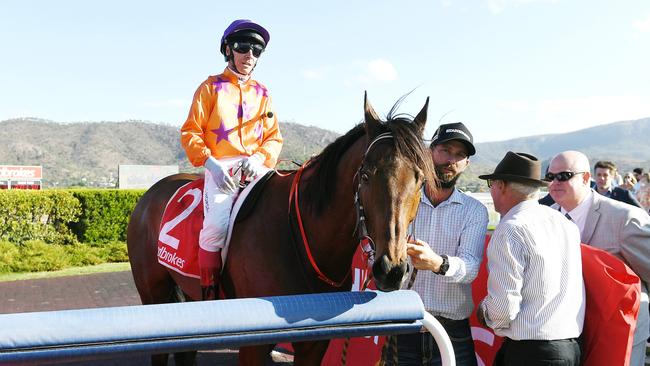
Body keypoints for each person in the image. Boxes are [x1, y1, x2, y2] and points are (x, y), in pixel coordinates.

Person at [180, 19, 283, 300]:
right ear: (228, 50)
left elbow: (274, 137)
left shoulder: (263, 93)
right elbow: (190, 132)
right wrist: (210, 163)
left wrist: (260, 157)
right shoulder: (209, 88)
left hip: (256, 165)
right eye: (243, 47)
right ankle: (210, 295)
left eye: (257, 50)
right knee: (216, 225)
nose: (249, 55)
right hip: (221, 168)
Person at [386, 122, 489, 366]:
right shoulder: (400, 202)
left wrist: (438, 263)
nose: (451, 160)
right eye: (445, 150)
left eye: (459, 155)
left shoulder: (475, 211)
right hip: (403, 329)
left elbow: (471, 268)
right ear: (429, 152)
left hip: (453, 333)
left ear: (466, 164)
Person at [477, 151, 585, 366]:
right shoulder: (564, 223)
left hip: (531, 351)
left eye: (492, 183)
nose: (491, 190)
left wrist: (484, 311)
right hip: (569, 348)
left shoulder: (510, 228)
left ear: (502, 186)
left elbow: (503, 309)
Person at [547, 151, 650, 366]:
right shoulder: (546, 217)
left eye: (564, 176)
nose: (555, 182)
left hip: (620, 333)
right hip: (567, 334)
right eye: (550, 177)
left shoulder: (624, 218)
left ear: (585, 178)